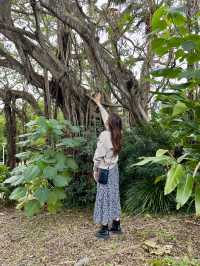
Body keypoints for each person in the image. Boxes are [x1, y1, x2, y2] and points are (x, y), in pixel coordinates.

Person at [92, 92, 122, 240]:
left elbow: (98, 156)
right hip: (114, 170)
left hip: (104, 170)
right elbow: (106, 118)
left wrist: (95, 170)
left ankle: (104, 229)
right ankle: (116, 225)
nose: (106, 120)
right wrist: (99, 104)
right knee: (114, 195)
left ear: (109, 124)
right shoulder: (118, 133)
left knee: (104, 197)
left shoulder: (105, 135)